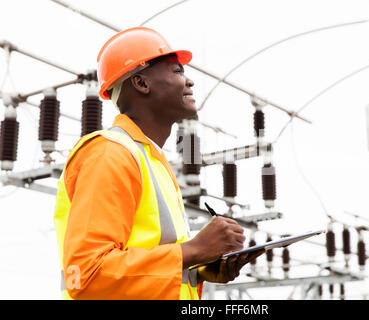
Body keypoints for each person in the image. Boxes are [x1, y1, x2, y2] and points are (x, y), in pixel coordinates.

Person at [53, 27, 263, 300]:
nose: (189, 82)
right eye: (177, 71)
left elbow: (145, 264)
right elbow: (89, 274)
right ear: (141, 83)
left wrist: (198, 270)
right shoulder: (110, 153)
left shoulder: (152, 161)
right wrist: (195, 250)